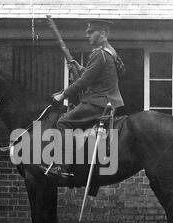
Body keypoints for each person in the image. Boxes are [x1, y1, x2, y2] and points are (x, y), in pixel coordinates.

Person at [47, 19, 125, 181]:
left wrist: (62, 95)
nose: (87, 34)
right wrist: (80, 67)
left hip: (98, 102)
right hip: (109, 100)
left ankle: (62, 166)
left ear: (103, 34)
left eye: (91, 32)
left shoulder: (99, 54)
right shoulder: (109, 51)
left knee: (63, 122)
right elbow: (98, 75)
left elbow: (84, 82)